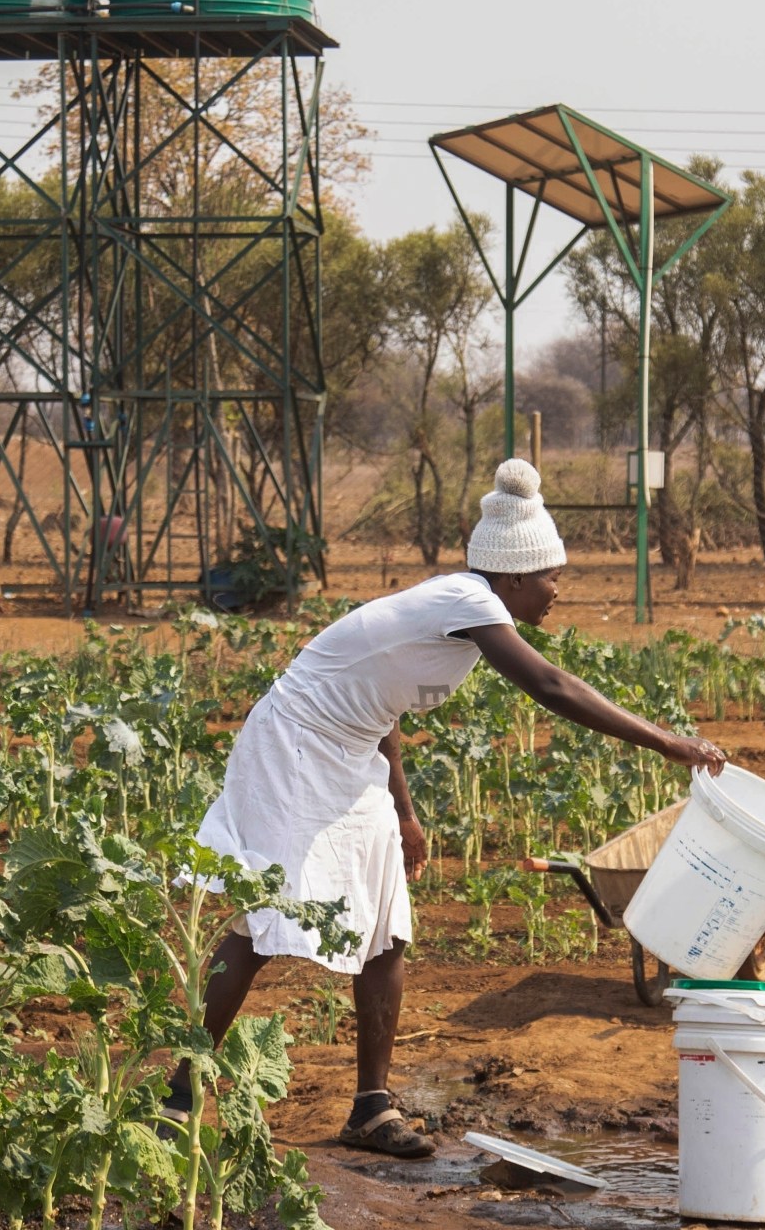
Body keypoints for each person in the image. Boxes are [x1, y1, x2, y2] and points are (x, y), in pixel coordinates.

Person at [172, 459, 728, 1158]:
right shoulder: (469, 604)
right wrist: (666, 742)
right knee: (262, 919)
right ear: (517, 577)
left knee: (385, 923)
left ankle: (371, 1109)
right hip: (294, 746)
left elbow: (385, 704)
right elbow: (551, 686)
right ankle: (178, 1093)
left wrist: (402, 809)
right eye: (553, 576)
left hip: (349, 750)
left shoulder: (457, 610)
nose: (559, 590)